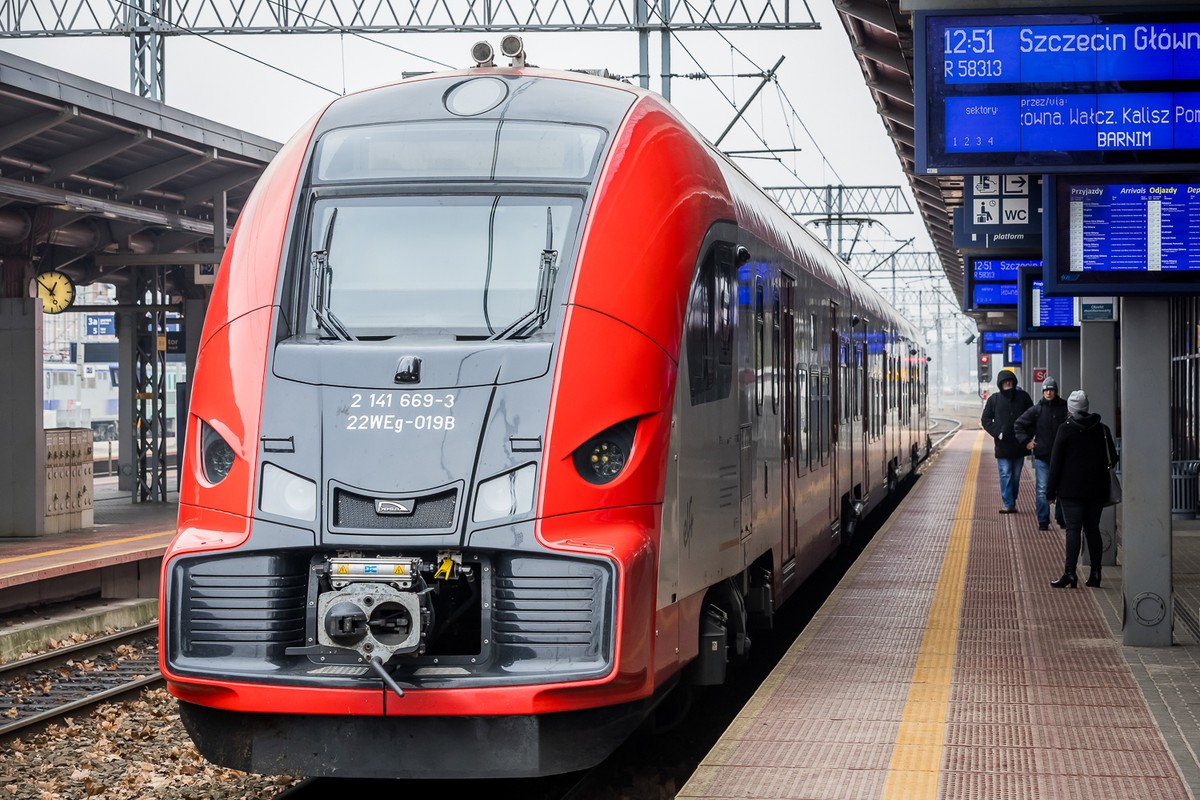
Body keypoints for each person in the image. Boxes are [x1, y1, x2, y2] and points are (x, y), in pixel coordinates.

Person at [1045, 390, 1119, 588]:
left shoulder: (1065, 429)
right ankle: (1096, 574)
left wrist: (1050, 492)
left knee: (1073, 530)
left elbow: (1056, 463)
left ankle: (1070, 573)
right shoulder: (1102, 429)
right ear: (1086, 408)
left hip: (1071, 490)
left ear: (1070, 408)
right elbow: (1114, 457)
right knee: (1092, 530)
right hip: (1096, 490)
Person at [1014, 376, 1069, 531]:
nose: (1048, 393)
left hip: (1062, 457)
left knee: (1061, 489)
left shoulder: (1065, 408)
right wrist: (1027, 442)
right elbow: (1019, 424)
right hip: (1042, 457)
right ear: (1042, 392)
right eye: (1046, 390)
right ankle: (1043, 520)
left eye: (1051, 390)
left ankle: (1061, 518)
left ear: (1056, 391)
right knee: (1042, 489)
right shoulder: (1037, 410)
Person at [980, 368, 1034, 513]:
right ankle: (1008, 503)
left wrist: (1027, 437)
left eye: (1010, 381)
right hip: (1002, 445)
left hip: (1019, 445)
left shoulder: (1023, 397)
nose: (1008, 384)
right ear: (1000, 384)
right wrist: (998, 433)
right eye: (1005, 382)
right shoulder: (994, 399)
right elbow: (985, 420)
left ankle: (1012, 499)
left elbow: (1033, 418)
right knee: (1006, 474)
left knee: (1015, 476)